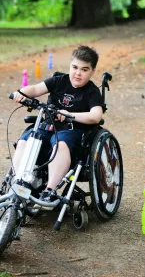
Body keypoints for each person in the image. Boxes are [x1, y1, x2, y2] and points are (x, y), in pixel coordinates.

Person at [12, 45, 105, 202]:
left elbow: (96, 116)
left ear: (92, 71)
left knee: (60, 145)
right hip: (47, 126)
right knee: (25, 141)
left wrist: (70, 115)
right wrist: (20, 93)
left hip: (70, 131)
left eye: (84, 69)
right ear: (70, 66)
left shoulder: (92, 91)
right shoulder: (58, 80)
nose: (77, 73)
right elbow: (34, 89)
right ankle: (18, 182)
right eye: (75, 67)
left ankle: (49, 190)